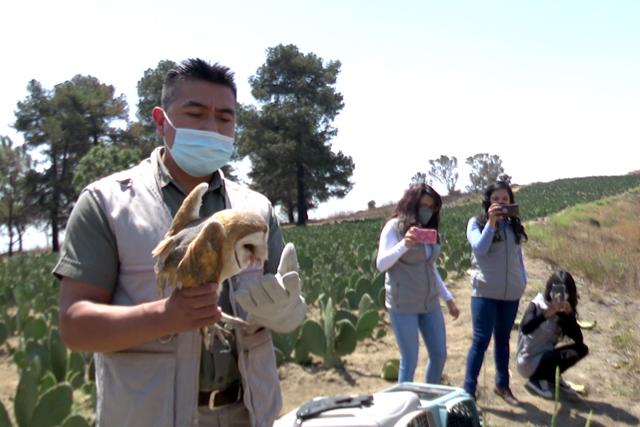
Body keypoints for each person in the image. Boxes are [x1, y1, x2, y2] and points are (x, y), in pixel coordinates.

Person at [54, 58, 307, 427]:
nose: (212, 127)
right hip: (149, 416)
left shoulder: (257, 209)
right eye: (196, 113)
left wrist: (285, 313)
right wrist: (164, 317)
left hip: (249, 412)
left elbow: (277, 294)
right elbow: (76, 326)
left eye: (224, 117)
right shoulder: (107, 204)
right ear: (161, 120)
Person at [376, 183, 460, 384]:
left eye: (432, 207)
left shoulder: (430, 231)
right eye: (423, 205)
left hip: (429, 302)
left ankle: (430, 395)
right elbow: (381, 264)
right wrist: (404, 244)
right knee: (410, 360)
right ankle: (405, 404)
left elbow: (429, 267)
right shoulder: (394, 228)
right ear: (411, 204)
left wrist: (447, 298)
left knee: (439, 354)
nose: (427, 211)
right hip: (403, 304)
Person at [463, 181, 527, 405]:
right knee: (481, 340)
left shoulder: (514, 225)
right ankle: (468, 392)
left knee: (503, 339)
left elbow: (518, 256)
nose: (501, 203)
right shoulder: (476, 223)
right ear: (488, 202)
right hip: (485, 292)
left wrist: (523, 279)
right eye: (496, 199)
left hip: (511, 293)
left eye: (505, 200)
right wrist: (491, 223)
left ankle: (502, 385)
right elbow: (479, 248)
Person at [516, 270, 589, 399]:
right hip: (528, 360)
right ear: (550, 290)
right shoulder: (538, 304)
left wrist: (569, 316)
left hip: (546, 355)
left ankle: (550, 376)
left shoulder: (565, 310)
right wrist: (546, 314)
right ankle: (536, 379)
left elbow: (578, 340)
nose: (560, 296)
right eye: (557, 291)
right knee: (550, 357)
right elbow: (526, 328)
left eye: (565, 293)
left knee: (581, 349)